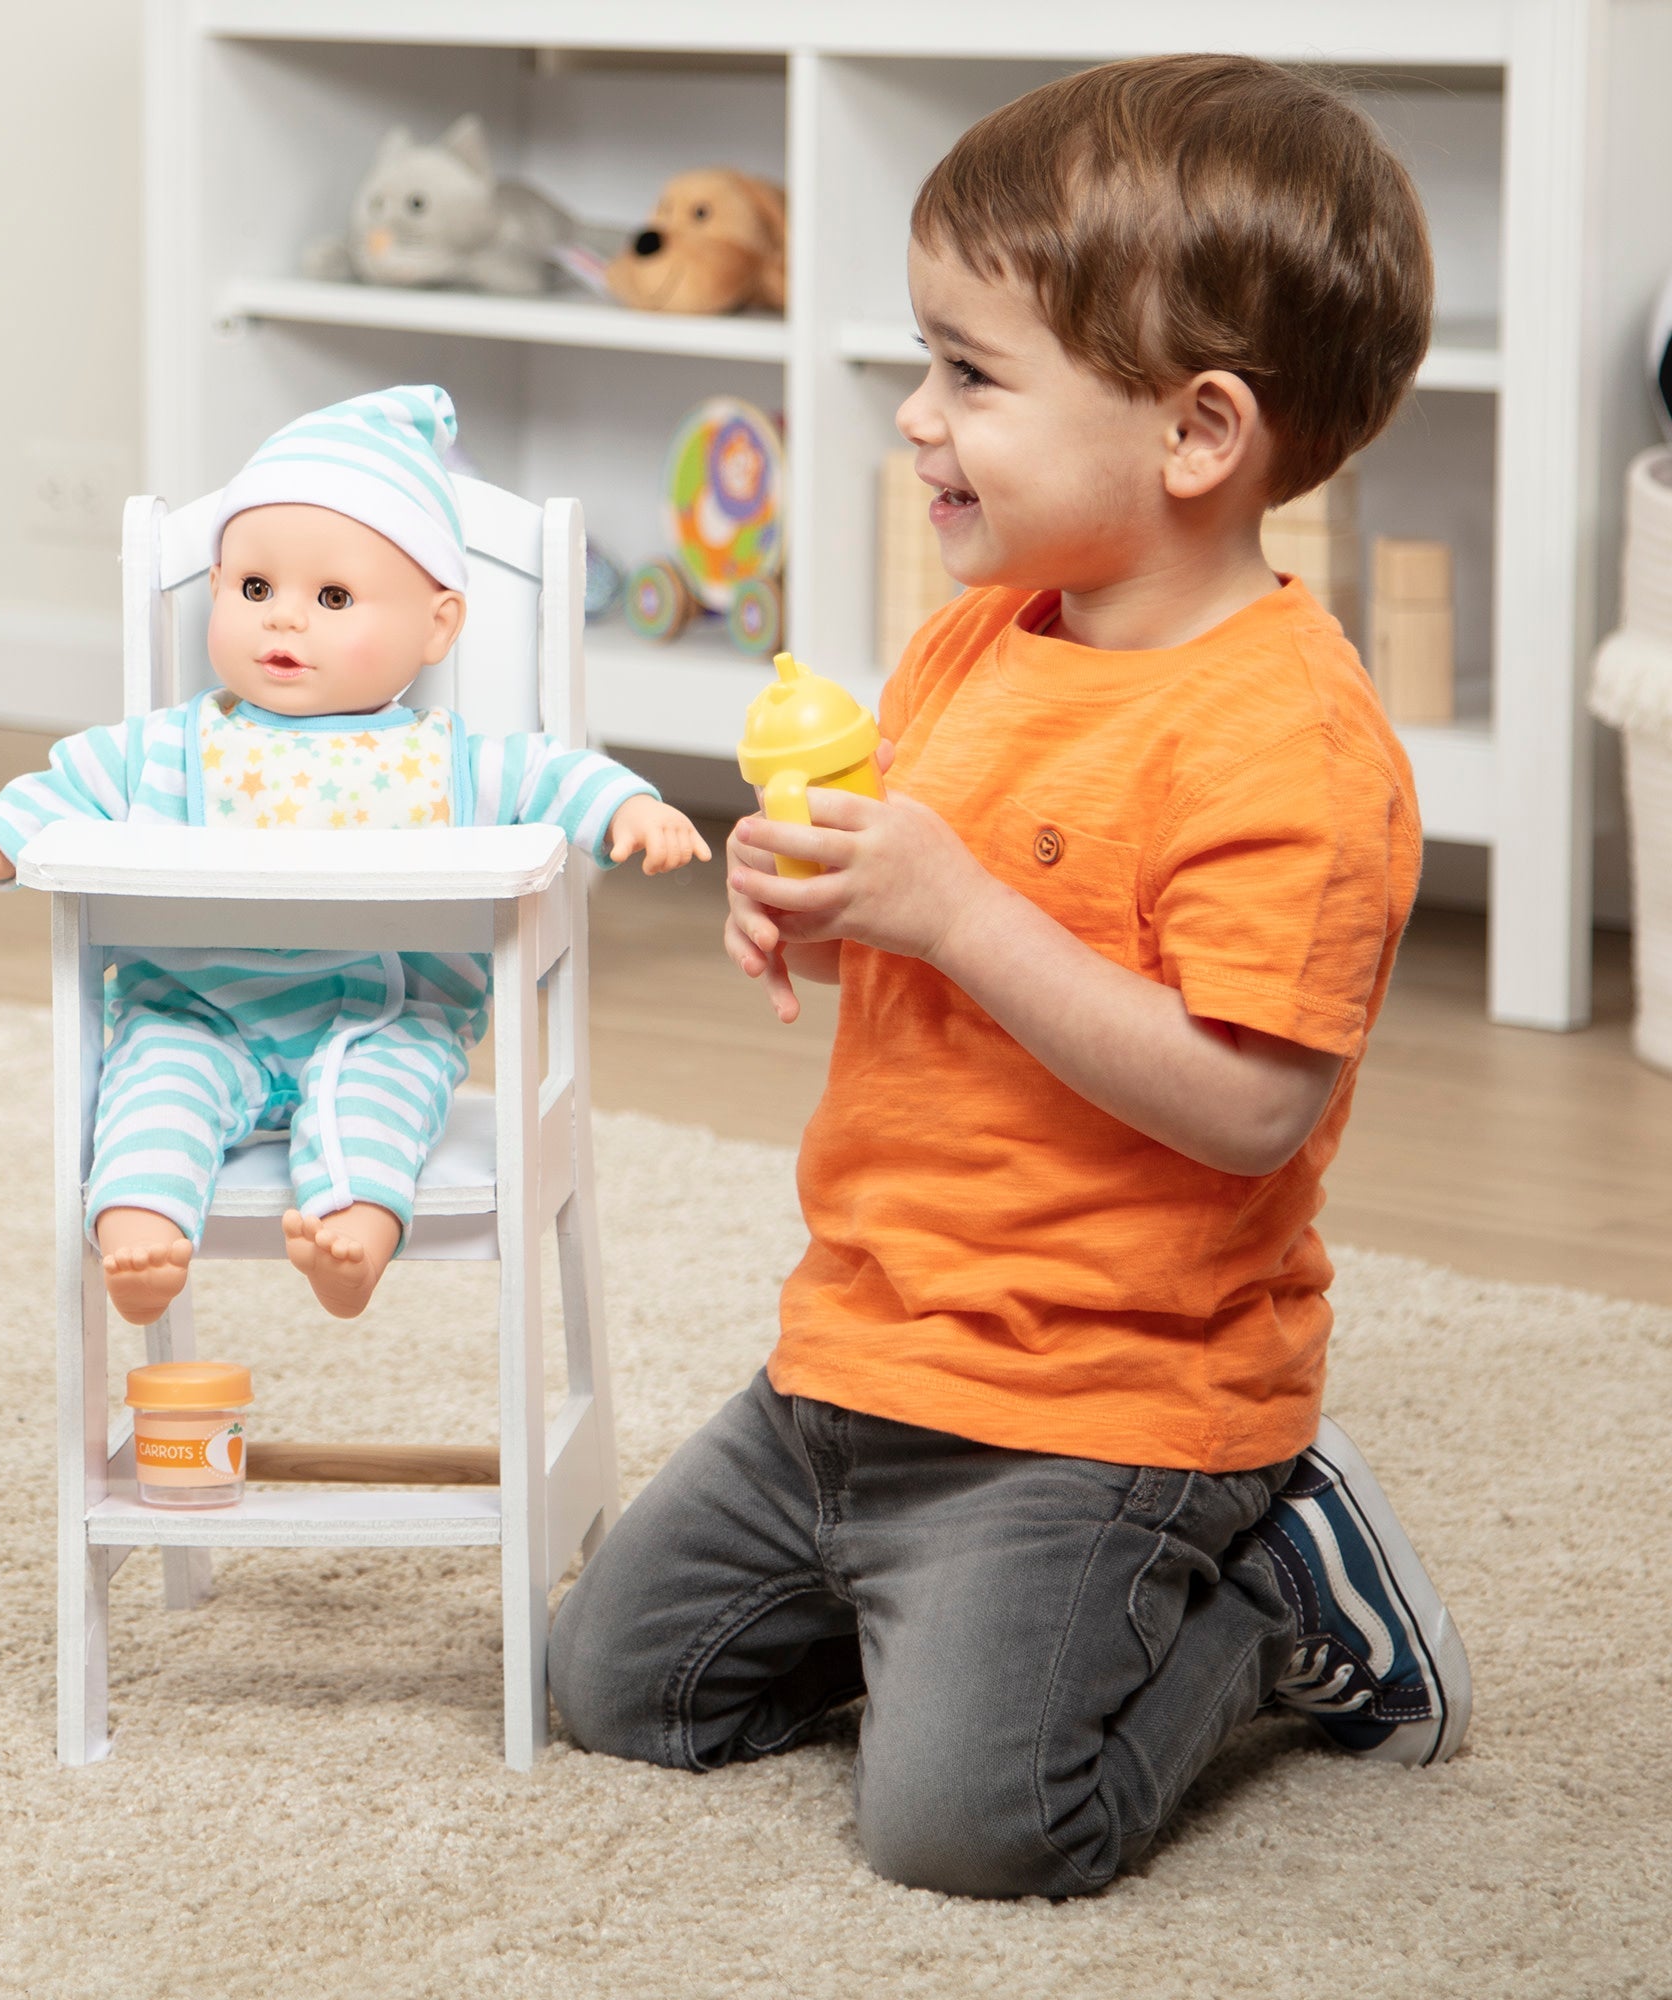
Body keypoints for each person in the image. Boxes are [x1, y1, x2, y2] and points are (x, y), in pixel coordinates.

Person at [548, 56, 1471, 1898]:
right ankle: (938, 1614)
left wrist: (961, 913)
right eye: (927, 362)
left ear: (1198, 434)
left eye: (971, 375)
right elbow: (927, 922)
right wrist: (823, 904)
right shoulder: (974, 643)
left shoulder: (1287, 743)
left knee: (972, 1828)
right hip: (861, 1352)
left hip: (1104, 1404)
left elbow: (1252, 1107)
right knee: (611, 1689)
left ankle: (1275, 1594)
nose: (915, 417)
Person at [0, 385, 707, 1325]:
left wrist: (628, 809)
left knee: (385, 1098)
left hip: (378, 1014)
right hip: (200, 1007)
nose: (284, 619)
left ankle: (352, 1243)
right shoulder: (168, 746)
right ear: (216, 589)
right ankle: (137, 1242)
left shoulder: (447, 760)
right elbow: (61, 792)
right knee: (151, 1089)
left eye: (332, 597)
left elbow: (554, 775)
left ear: (438, 625)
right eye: (255, 590)